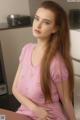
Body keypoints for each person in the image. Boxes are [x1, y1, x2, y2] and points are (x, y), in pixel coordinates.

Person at [12, 1, 76, 120]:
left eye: (46, 22)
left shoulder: (56, 62)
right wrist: (35, 109)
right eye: (37, 19)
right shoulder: (26, 49)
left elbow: (66, 100)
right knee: (1, 117)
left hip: (48, 117)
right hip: (25, 112)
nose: (38, 25)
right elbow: (14, 89)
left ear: (55, 29)